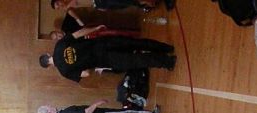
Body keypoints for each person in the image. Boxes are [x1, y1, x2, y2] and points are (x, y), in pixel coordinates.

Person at [39, 34, 176, 83]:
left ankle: (168, 62)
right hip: (103, 42)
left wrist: (85, 63)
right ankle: (167, 48)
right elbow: (78, 34)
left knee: (136, 60)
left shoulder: (64, 71)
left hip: (104, 59)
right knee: (136, 43)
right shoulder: (59, 45)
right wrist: (95, 29)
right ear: (48, 54)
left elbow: (86, 74)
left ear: (49, 66)